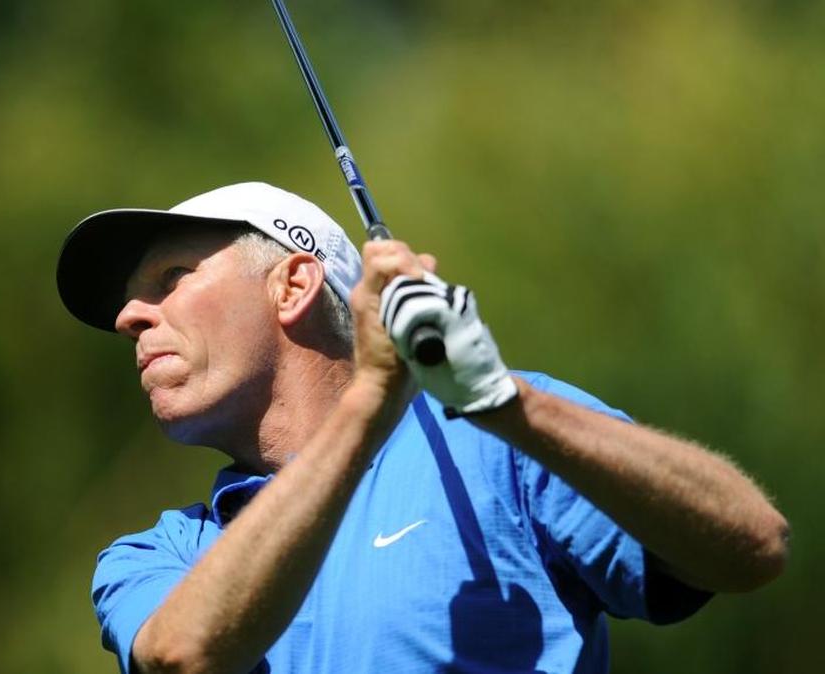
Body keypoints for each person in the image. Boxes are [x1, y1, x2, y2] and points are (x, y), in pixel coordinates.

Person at [56, 182, 789, 674]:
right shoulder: (158, 554)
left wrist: (505, 404)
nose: (129, 318)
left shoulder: (498, 437)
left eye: (170, 279)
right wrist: (370, 401)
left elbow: (750, 546)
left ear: (294, 286)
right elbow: (184, 656)